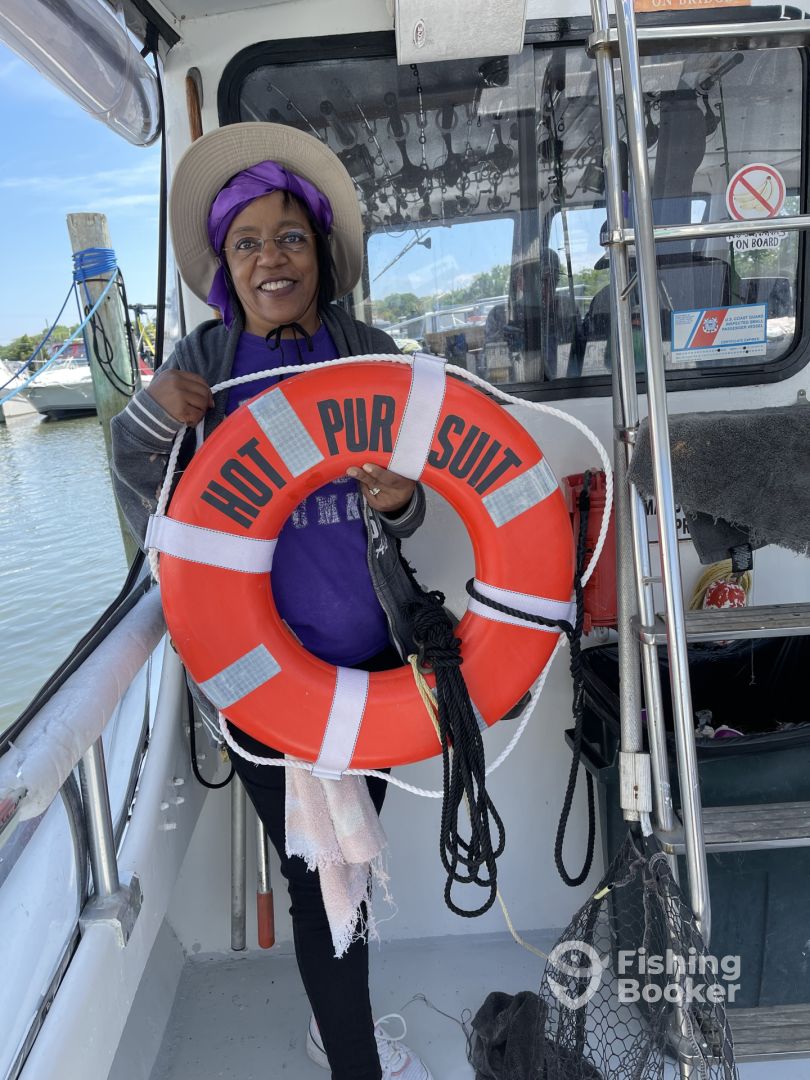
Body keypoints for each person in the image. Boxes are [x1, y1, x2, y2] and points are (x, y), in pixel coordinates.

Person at [110, 122, 433, 1080]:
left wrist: (401, 500)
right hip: (254, 681)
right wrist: (148, 416)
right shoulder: (202, 364)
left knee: (351, 855)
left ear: (320, 254)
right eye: (246, 243)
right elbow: (143, 499)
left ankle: (339, 1030)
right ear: (226, 267)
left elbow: (417, 501)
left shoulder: (367, 350)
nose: (271, 259)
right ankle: (353, 1059)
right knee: (315, 872)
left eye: (291, 237)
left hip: (370, 659)